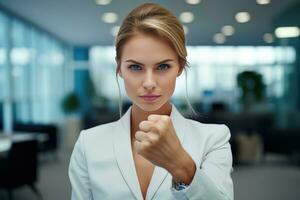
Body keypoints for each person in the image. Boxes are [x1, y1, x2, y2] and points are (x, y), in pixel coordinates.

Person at [69, 2, 233, 200]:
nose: (149, 83)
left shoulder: (213, 139)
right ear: (119, 68)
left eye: (163, 67)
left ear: (180, 67)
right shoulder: (89, 144)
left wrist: (181, 165)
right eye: (135, 67)